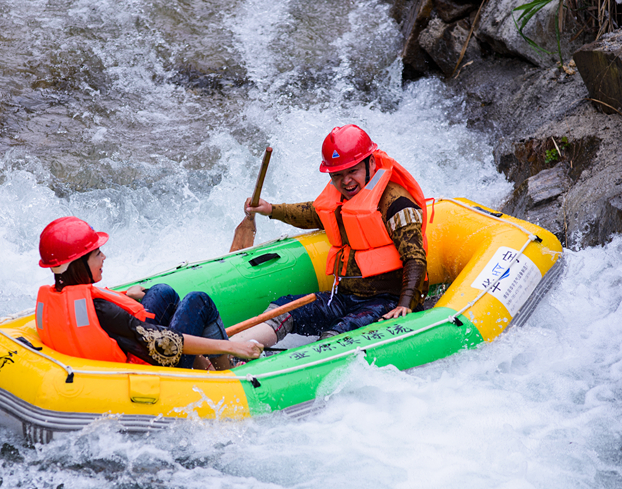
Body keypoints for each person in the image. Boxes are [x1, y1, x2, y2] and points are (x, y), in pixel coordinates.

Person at [233, 124, 428, 348]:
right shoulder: (342, 198)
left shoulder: (398, 205)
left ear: (371, 164)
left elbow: (415, 258)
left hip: (386, 301)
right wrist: (271, 209)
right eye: (337, 175)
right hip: (344, 297)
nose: (346, 181)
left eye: (352, 171)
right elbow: (313, 213)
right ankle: (229, 351)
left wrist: (405, 304)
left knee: (335, 335)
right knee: (281, 310)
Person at [35, 216, 262, 370]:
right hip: (156, 366)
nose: (104, 257)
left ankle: (205, 363)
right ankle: (227, 369)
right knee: (198, 301)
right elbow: (167, 341)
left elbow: (100, 312)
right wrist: (233, 345)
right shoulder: (103, 311)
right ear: (77, 264)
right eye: (96, 254)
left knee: (162, 292)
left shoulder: (59, 295)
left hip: (131, 345)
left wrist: (125, 295)